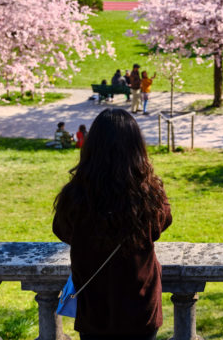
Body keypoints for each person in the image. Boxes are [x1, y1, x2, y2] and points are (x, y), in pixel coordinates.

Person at [53, 108, 172, 339]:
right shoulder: (150, 194)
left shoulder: (76, 194)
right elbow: (161, 225)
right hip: (140, 308)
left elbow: (62, 230)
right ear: (137, 147)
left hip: (94, 310)